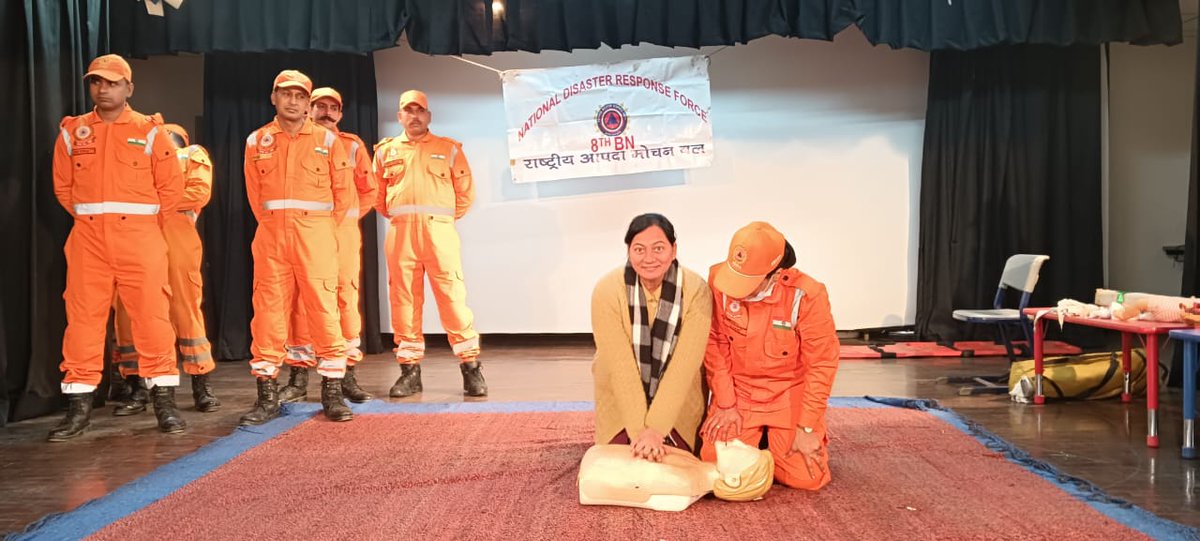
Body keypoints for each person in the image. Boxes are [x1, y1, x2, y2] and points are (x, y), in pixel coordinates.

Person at [49, 54, 187, 441]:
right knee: (82, 321)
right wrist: (94, 219)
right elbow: (63, 188)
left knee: (152, 318)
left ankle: (165, 404)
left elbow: (171, 189)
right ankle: (78, 408)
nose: (102, 88)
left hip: (140, 239)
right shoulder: (72, 132)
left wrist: (141, 226)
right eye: (96, 82)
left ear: (129, 87)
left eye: (111, 82)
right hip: (88, 240)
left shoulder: (151, 131)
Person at [240, 70, 355, 424]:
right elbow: (255, 196)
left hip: (316, 235)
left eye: (300, 96)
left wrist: (315, 229)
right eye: (286, 94)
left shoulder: (327, 140)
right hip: (272, 236)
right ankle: (266, 397)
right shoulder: (256, 141)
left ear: (307, 103)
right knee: (268, 312)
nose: (293, 101)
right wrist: (278, 224)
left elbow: (343, 195)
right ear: (273, 97)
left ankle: (332, 393)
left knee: (324, 309)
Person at [699, 222, 840, 490]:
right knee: (718, 471)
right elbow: (715, 342)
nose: (737, 290)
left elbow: (821, 364)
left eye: (748, 283)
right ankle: (762, 444)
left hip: (788, 392)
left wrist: (807, 427)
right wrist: (726, 403)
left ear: (775, 274)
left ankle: (771, 443)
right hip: (739, 394)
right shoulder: (719, 280)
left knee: (807, 479)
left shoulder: (807, 295)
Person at [373, 90, 486, 398]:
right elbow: (378, 198)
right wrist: (406, 218)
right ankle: (409, 372)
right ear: (399, 117)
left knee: (452, 297)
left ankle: (471, 368)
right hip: (401, 234)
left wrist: (440, 220)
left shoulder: (448, 149)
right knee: (404, 301)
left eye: (419, 110)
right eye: (407, 111)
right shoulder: (385, 152)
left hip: (440, 234)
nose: (414, 116)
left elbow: (465, 194)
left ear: (429, 115)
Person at [111, 123, 220, 415]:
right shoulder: (138, 156)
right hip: (136, 237)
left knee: (185, 309)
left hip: (177, 238)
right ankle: (136, 387)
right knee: (128, 310)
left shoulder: (191, 154)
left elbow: (198, 192)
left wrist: (151, 200)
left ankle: (201, 384)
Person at [279, 87, 377, 404]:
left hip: (342, 234)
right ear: (309, 108)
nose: (326, 111)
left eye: (333, 107)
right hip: (304, 232)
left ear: (341, 113)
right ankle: (298, 375)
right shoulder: (296, 142)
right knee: (300, 300)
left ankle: (346, 373)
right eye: (320, 105)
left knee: (344, 296)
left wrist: (345, 219)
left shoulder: (351, 146)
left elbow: (368, 190)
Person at [591, 214, 712, 460]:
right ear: (628, 251)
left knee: (675, 465)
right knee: (618, 466)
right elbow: (620, 366)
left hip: (678, 405)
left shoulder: (697, 289)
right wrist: (639, 433)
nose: (648, 258)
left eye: (658, 248)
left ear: (673, 249)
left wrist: (656, 430)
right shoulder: (606, 290)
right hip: (619, 401)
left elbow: (684, 366)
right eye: (639, 249)